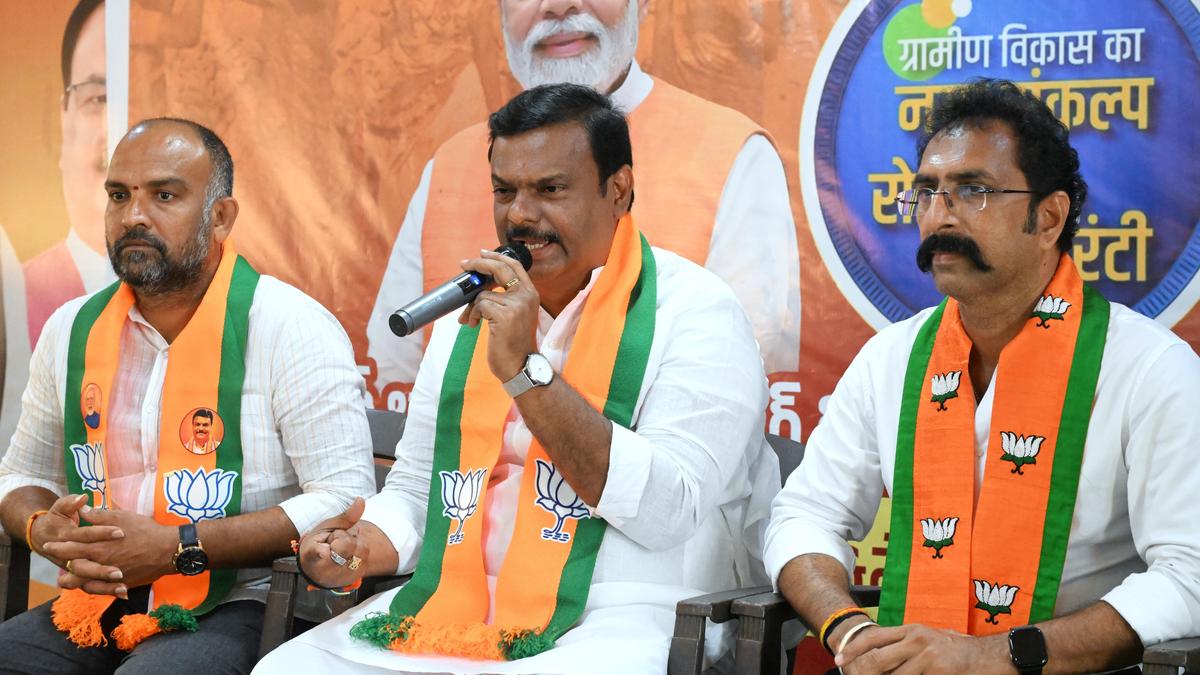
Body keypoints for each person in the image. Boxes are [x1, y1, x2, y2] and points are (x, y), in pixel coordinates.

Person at [256, 84, 778, 675]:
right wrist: (358, 549)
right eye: (505, 191)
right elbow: (421, 490)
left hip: (625, 612)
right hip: (457, 604)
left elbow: (668, 511)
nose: (520, 216)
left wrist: (527, 372)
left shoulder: (699, 313)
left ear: (618, 190)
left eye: (550, 190)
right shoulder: (466, 319)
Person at [764, 78, 1200, 674]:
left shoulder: (1149, 369)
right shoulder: (891, 360)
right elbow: (803, 516)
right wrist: (850, 630)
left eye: (974, 191)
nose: (939, 215)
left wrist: (991, 657)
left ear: (1049, 217)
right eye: (926, 192)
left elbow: (1189, 576)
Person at [0, 118, 375, 674]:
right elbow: (21, 476)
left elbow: (345, 497)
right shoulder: (71, 328)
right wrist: (43, 529)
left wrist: (178, 546)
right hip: (103, 598)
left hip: (247, 598)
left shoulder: (290, 327)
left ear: (220, 217)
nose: (133, 216)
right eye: (119, 195)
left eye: (164, 195)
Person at [365, 0, 801, 413]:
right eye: (504, 191)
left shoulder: (731, 152)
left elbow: (740, 379)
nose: (558, 5)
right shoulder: (449, 163)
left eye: (552, 189)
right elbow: (396, 373)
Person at [23, 0, 119, 348]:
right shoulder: (13, 298)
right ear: (65, 119)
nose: (116, 127)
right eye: (98, 98)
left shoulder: (233, 309)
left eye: (138, 96)